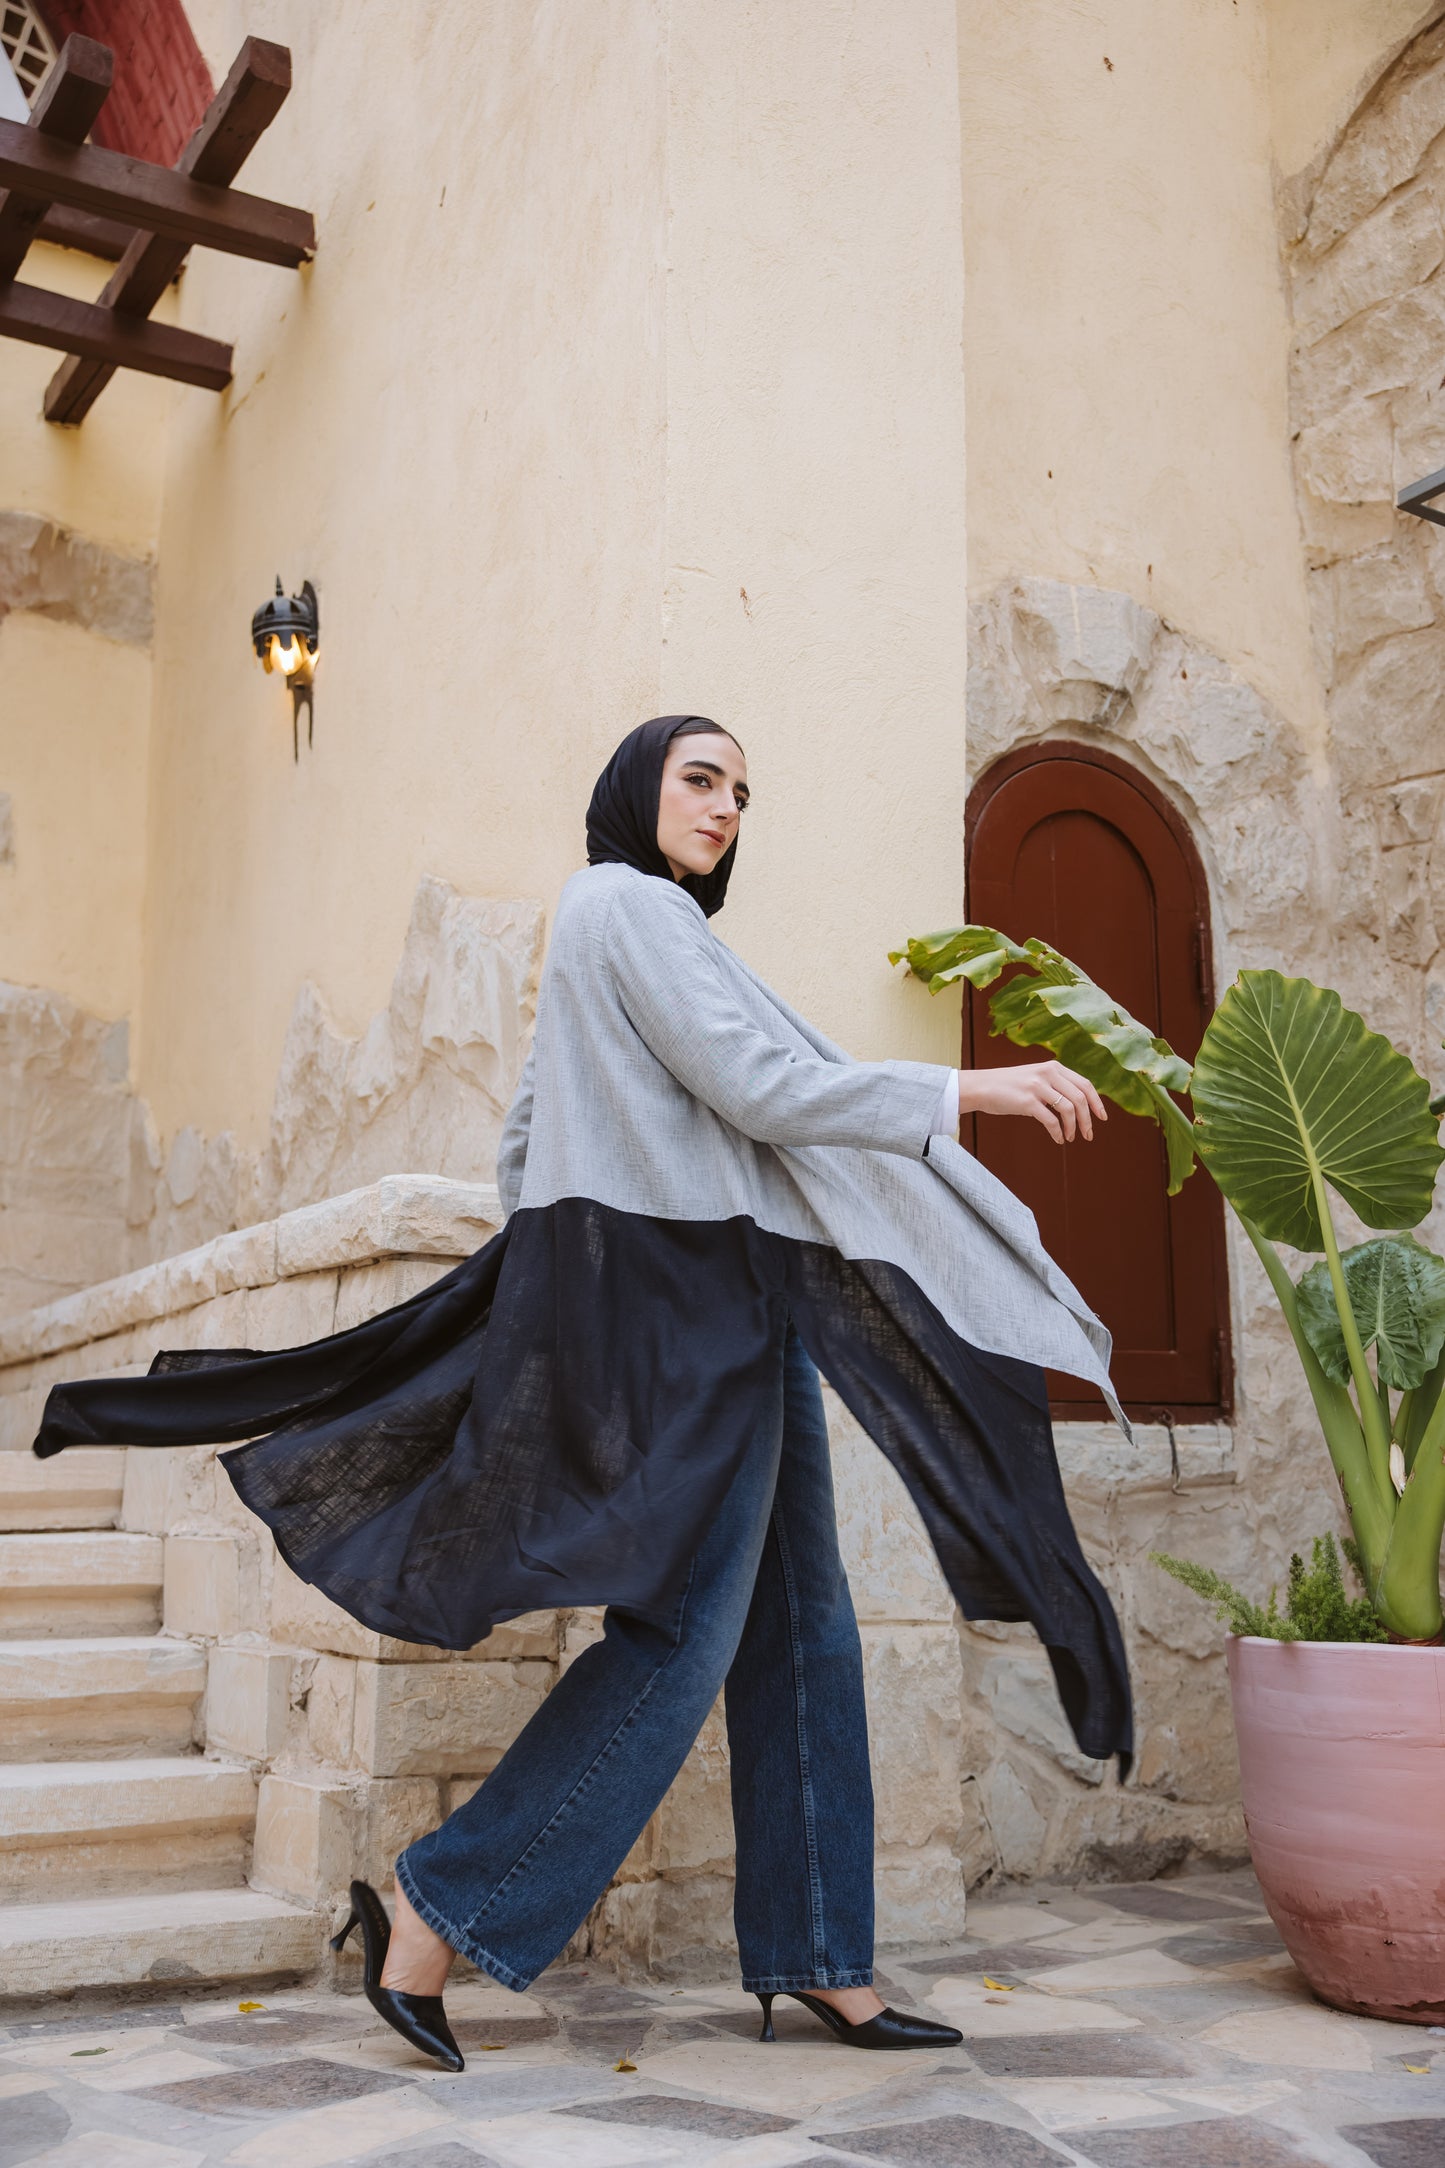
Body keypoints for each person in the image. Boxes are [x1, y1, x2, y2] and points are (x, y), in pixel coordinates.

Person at [35, 716, 1127, 2072]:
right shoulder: (625, 906)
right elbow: (757, 1085)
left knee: (807, 1630)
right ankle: (438, 1911)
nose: (725, 808)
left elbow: (526, 1132)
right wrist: (970, 1091)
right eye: (699, 779)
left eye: (740, 792)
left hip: (730, 1306)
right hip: (697, 1320)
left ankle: (822, 1957)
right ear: (635, 790)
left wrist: (577, 1262)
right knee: (679, 1637)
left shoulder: (637, 928)